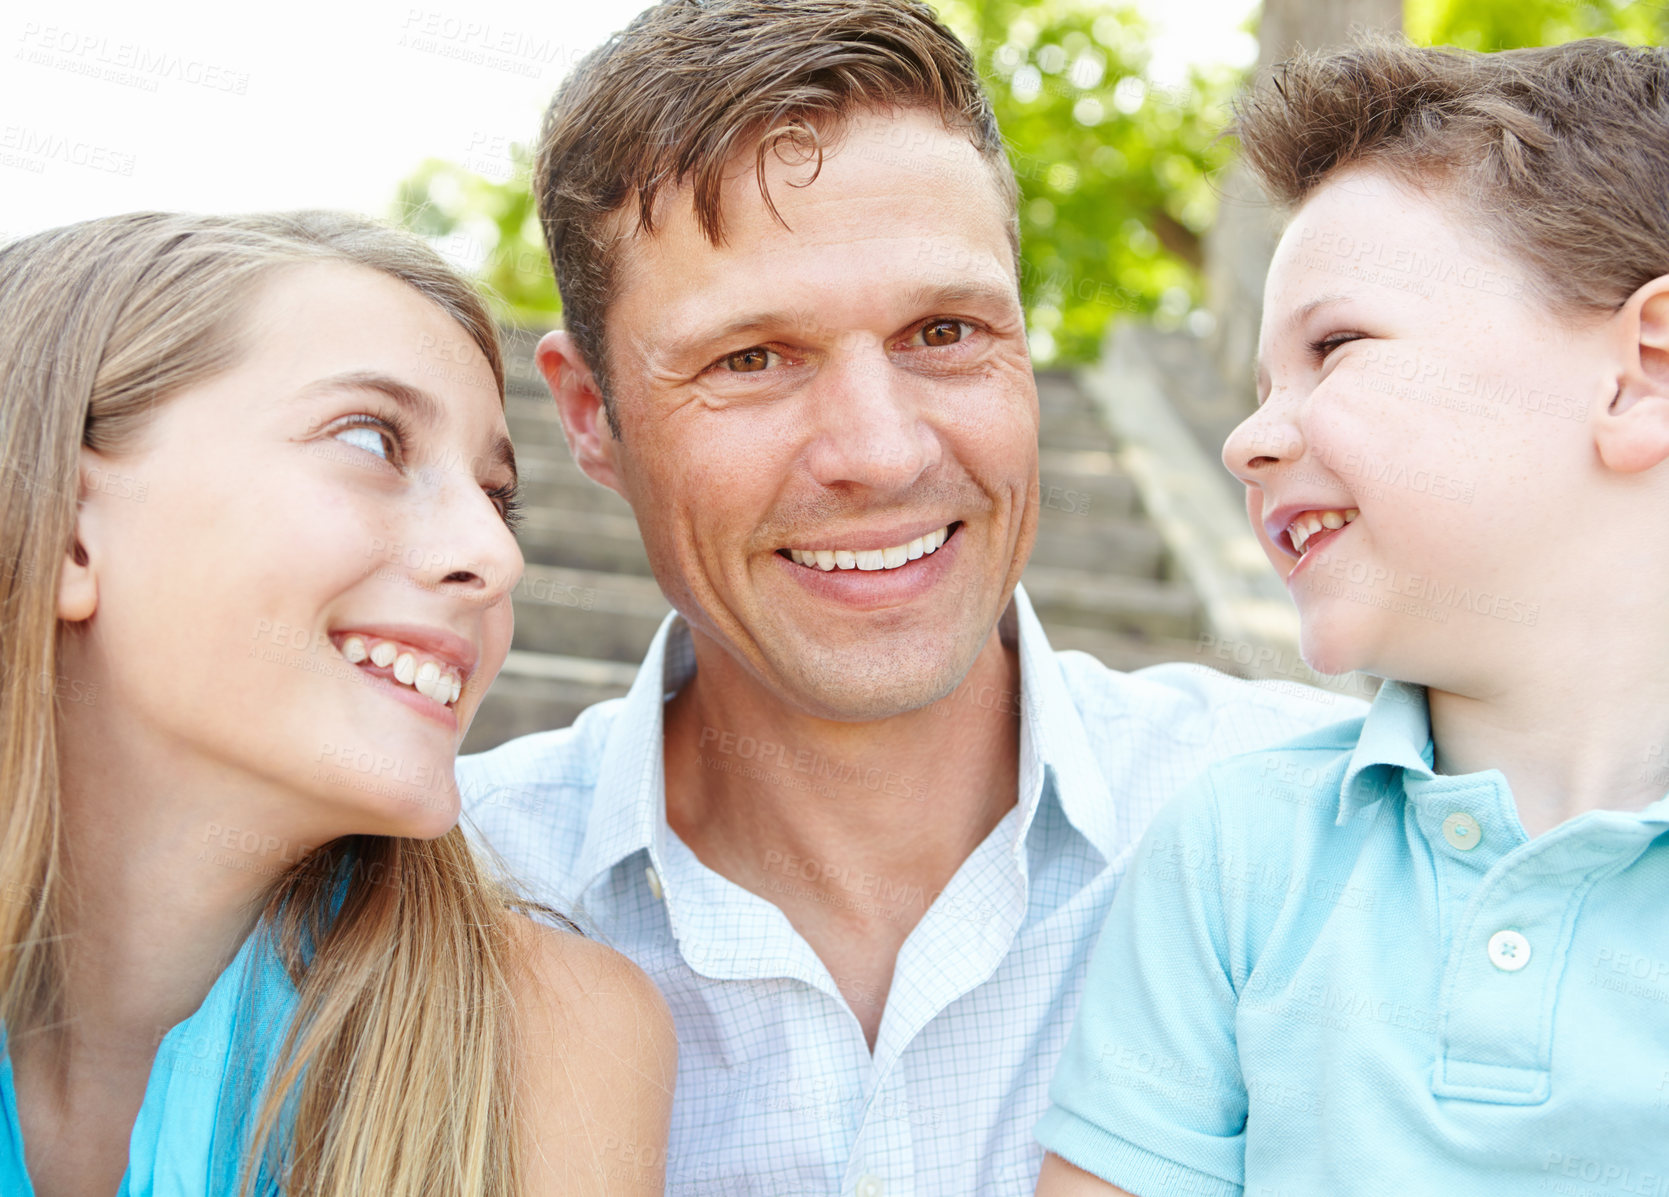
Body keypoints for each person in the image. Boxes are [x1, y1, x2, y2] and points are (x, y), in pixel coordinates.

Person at [455, 2, 1361, 1191]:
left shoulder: (1334, 831)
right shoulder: (433, 896)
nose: (879, 453)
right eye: (751, 359)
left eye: (944, 330)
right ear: (589, 414)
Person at [1034, 36, 1669, 1196]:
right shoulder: (1237, 856)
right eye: (1259, 388)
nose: (1246, 440)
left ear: (1641, 373)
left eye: (1335, 347)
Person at [0, 211, 674, 1197]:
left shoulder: (551, 1042)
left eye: (498, 494)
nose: (496, 557)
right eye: (372, 440)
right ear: (66, 530)